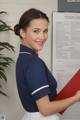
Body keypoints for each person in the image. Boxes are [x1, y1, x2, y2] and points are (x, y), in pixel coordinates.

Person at [14, 8, 80, 120]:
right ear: (22, 32)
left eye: (45, 31)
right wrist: (76, 98)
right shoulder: (33, 63)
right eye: (36, 31)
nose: (42, 37)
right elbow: (45, 109)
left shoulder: (24, 58)